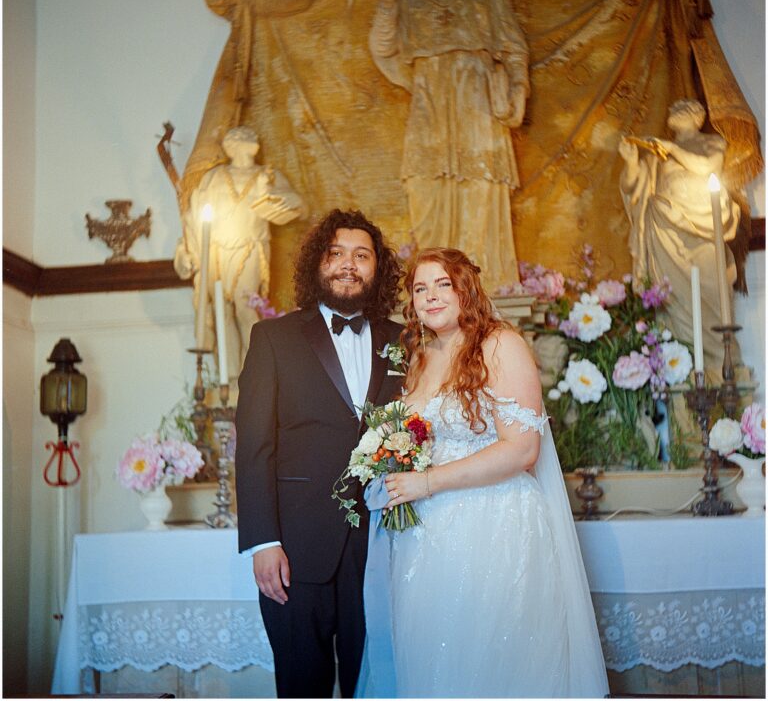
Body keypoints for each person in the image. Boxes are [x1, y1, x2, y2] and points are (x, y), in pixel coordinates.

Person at [357, 248, 608, 698]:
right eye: (419, 288)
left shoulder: (500, 344)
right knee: (433, 659)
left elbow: (522, 450)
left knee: (491, 660)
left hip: (493, 526)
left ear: (465, 289)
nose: (430, 297)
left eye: (442, 285)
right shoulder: (417, 355)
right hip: (423, 538)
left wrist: (427, 481)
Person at [235, 209, 404, 698]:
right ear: (318, 264)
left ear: (378, 269)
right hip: (294, 548)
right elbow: (254, 446)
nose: (348, 265)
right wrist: (262, 542)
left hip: (382, 549)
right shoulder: (273, 338)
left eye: (361, 255)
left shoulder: (404, 341)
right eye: (336, 254)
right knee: (301, 685)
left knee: (374, 684)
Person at [369, 0, 529, 294]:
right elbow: (385, 50)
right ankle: (435, 297)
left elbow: (513, 48)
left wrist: (518, 88)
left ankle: (484, 304)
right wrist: (387, 3)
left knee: (479, 213)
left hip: (477, 116)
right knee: (427, 208)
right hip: (429, 119)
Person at [618, 98, 741, 372]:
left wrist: (672, 149)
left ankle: (723, 370)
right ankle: (681, 369)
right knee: (673, 304)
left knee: (711, 296)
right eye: (673, 107)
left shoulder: (710, 143)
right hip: (665, 235)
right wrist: (630, 163)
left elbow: (708, 167)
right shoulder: (656, 155)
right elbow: (631, 188)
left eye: (682, 107)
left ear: (698, 117)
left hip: (703, 234)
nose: (673, 109)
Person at [174, 126, 306, 377]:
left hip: (249, 247)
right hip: (216, 251)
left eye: (247, 139)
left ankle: (259, 371)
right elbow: (194, 217)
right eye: (236, 140)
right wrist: (187, 250)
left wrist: (287, 200)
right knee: (222, 309)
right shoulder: (214, 177)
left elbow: (299, 205)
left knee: (245, 307)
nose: (242, 144)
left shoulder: (266, 175)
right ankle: (231, 376)